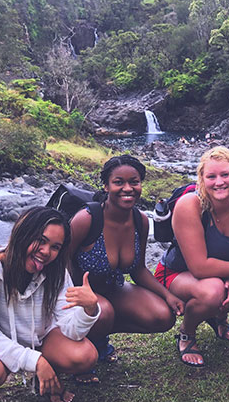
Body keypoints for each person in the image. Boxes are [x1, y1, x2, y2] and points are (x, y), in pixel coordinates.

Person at [0, 207, 100, 402]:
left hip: (39, 337)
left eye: (55, 247)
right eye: (40, 240)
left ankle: (48, 378)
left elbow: (70, 328)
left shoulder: (56, 271)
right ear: (22, 233)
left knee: (85, 356)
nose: (46, 252)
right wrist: (37, 362)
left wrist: (88, 310)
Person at [70, 154, 184, 383]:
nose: (128, 188)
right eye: (118, 182)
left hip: (113, 288)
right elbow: (61, 261)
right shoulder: (87, 219)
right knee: (103, 312)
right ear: (106, 186)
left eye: (134, 182)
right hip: (76, 293)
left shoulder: (140, 220)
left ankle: (99, 331)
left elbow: (138, 270)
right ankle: (86, 346)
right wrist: (79, 295)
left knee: (163, 316)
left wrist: (168, 295)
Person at [154, 146, 229, 366]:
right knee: (213, 291)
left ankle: (217, 315)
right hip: (176, 274)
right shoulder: (190, 205)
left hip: (221, 276)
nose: (219, 182)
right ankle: (187, 333)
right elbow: (200, 267)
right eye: (211, 177)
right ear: (202, 180)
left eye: (225, 174)